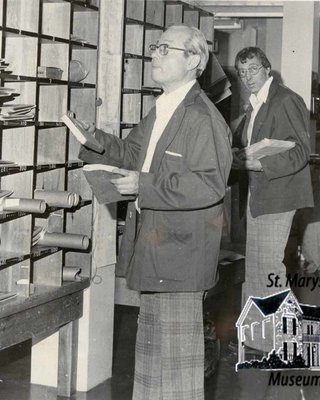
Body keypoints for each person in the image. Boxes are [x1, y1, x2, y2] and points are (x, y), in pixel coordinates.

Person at [79, 25, 232, 400]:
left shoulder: (202, 117)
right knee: (150, 362)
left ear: (193, 60)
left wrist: (143, 186)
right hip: (155, 253)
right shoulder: (164, 107)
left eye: (166, 48)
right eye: (155, 47)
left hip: (180, 259)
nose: (155, 54)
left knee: (177, 373)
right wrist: (93, 139)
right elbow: (134, 154)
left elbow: (209, 184)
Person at [232, 47, 313, 349]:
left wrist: (259, 163)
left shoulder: (286, 99)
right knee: (256, 267)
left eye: (252, 69)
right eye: (241, 73)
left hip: (278, 196)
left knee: (268, 269)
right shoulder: (255, 105)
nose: (247, 77)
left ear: (267, 69)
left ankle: (286, 340)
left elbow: (301, 151)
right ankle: (258, 337)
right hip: (259, 195)